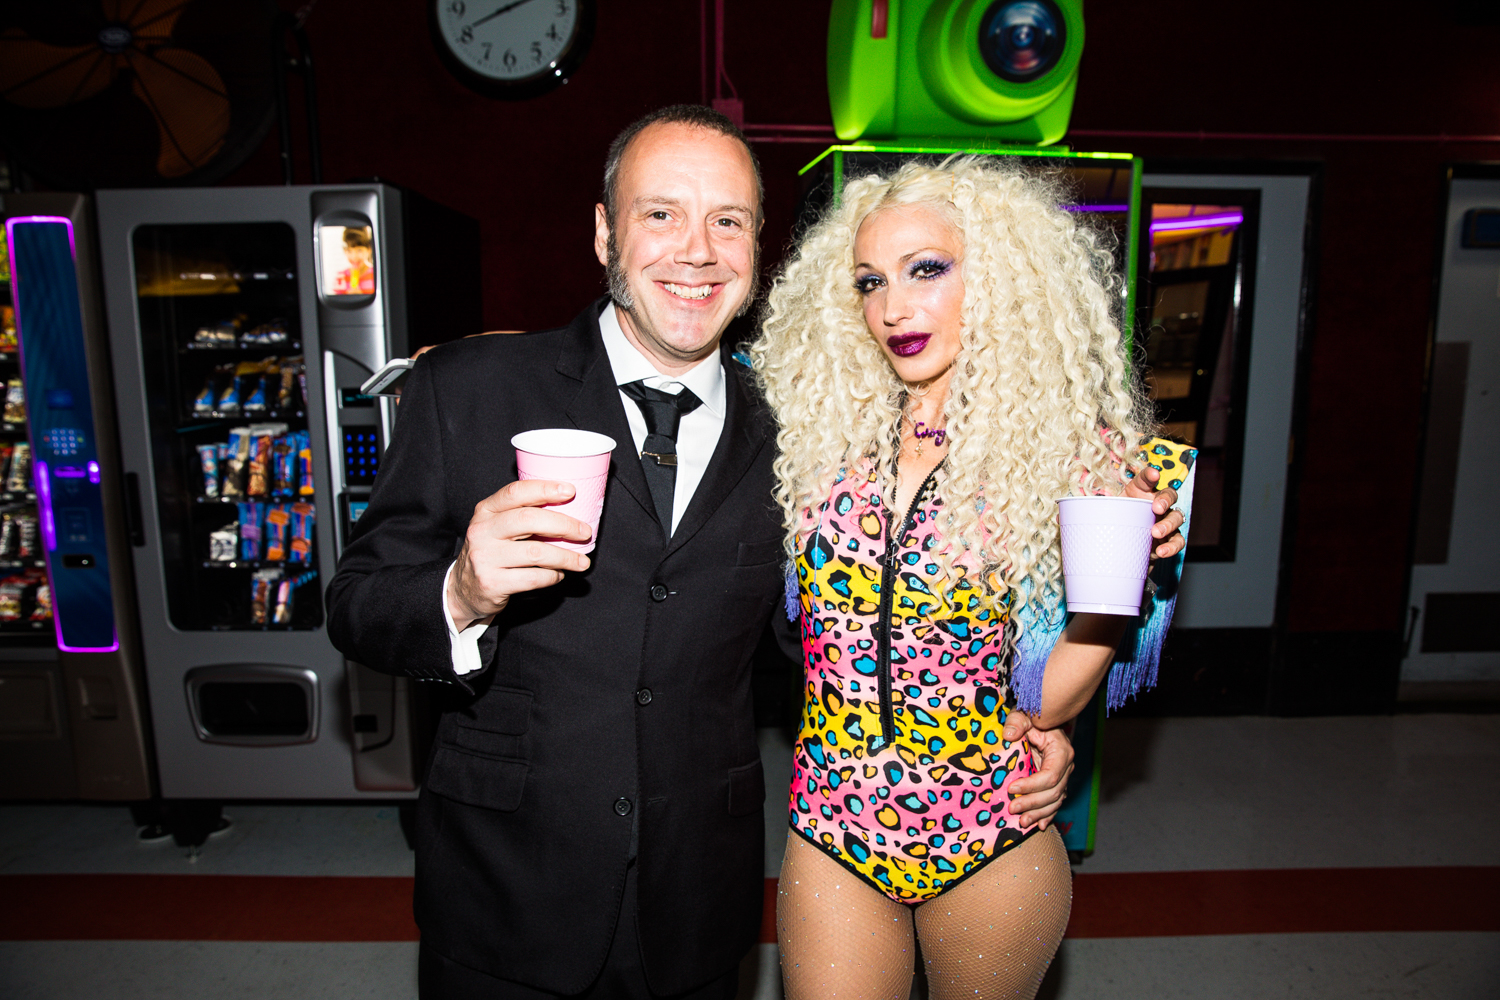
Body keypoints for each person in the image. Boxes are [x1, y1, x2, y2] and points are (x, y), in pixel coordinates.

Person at [329, 108, 1082, 1000]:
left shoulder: (805, 426)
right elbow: (357, 603)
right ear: (604, 233)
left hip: (696, 892)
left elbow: (847, 629)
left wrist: (1029, 719)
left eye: (728, 220)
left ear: (757, 248)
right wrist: (461, 592)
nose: (697, 251)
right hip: (506, 886)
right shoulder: (470, 388)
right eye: (661, 214)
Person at [750, 157, 1193, 1000]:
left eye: (927, 270)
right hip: (832, 827)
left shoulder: (1076, 459)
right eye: (871, 281)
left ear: (999, 277)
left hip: (991, 831)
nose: (893, 308)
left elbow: (1047, 702)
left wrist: (1123, 584)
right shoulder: (812, 428)